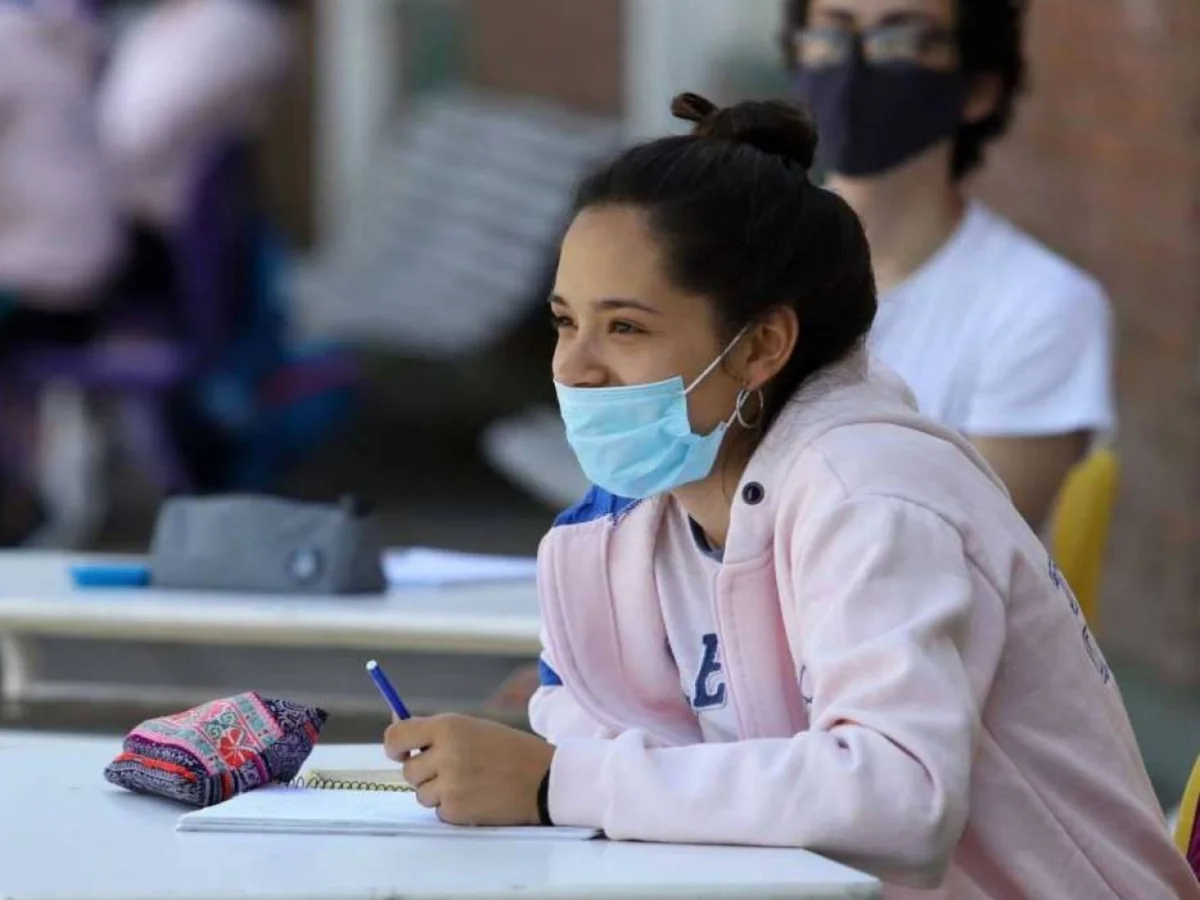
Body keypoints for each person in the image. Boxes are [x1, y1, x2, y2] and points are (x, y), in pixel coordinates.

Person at [382, 94, 1196, 898]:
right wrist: (557, 774)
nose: (573, 367)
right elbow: (600, 734)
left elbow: (897, 797)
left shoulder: (870, 492)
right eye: (566, 322)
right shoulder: (619, 526)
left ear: (761, 345)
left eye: (625, 327)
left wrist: (557, 783)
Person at [785, 0, 1114, 527]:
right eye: (830, 35)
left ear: (979, 89)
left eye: (901, 41)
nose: (855, 67)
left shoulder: (1040, 305)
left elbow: (968, 546)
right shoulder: (733, 267)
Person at [0, 0, 120, 546]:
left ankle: (17, 499)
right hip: (90, 272)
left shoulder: (8, 39)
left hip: (37, 277)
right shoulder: (70, 34)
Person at [97, 0, 296, 231]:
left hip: (162, 224)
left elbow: (138, 136)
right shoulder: (157, 22)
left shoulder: (240, 26)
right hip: (121, 206)